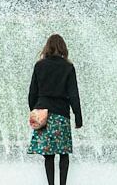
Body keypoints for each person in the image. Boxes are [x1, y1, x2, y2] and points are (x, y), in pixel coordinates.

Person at [27, 34, 82, 185]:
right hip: (61, 114)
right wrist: (78, 117)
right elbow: (73, 94)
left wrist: (35, 111)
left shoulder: (39, 65)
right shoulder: (68, 67)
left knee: (48, 154)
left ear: (48, 47)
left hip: (42, 114)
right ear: (63, 48)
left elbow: (32, 93)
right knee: (64, 153)